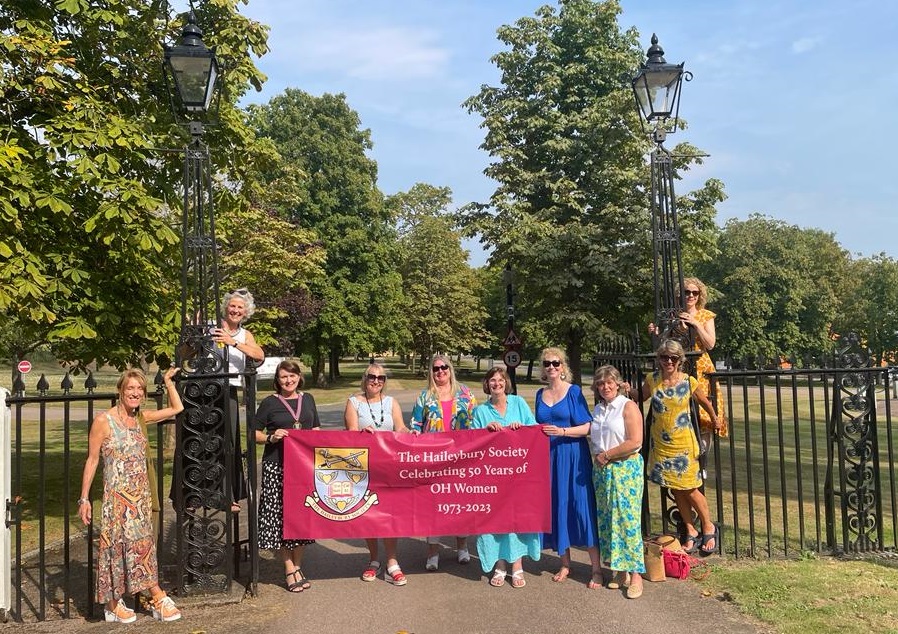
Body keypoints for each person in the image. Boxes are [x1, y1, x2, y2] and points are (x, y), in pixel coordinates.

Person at [78, 367, 184, 623]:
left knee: (142, 546)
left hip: (141, 499)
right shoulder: (104, 421)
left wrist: (168, 382)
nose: (135, 393)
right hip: (116, 499)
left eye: (139, 389)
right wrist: (84, 499)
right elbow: (92, 460)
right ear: (120, 391)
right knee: (115, 549)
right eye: (130, 389)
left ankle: (155, 597)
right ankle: (116, 603)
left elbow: (176, 409)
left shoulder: (140, 420)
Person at [634, 340, 722, 555]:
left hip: (683, 444)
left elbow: (705, 402)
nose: (669, 361)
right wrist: (623, 390)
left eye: (673, 358)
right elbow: (640, 397)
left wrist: (715, 418)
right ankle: (691, 530)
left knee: (690, 487)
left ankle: (708, 525)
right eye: (664, 357)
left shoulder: (688, 381)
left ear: (680, 360)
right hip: (661, 444)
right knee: (675, 487)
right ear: (659, 359)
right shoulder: (652, 380)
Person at [536, 347, 602, 588]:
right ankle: (565, 563)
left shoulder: (573, 392)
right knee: (557, 507)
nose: (551, 367)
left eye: (555, 363)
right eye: (546, 364)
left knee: (581, 507)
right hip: (549, 458)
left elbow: (588, 426)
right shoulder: (539, 393)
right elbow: (535, 427)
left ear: (563, 367)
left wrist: (563, 431)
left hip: (573, 456)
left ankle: (596, 568)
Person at [471, 367, 541, 588]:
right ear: (487, 384)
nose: (497, 384)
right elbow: (472, 443)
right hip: (492, 476)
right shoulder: (480, 411)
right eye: (493, 380)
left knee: (517, 519)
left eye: (501, 380)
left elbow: (535, 430)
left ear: (506, 383)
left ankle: (517, 565)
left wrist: (521, 428)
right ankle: (500, 564)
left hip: (519, 474)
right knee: (497, 520)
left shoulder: (519, 403)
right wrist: (485, 431)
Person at [254, 359, 320, 592]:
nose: (288, 380)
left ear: (299, 377)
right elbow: (254, 433)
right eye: (283, 377)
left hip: (303, 468)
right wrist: (271, 437)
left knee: (301, 518)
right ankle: (289, 567)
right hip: (277, 467)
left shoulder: (308, 399)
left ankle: (299, 565)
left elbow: (316, 430)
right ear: (277, 380)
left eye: (292, 376)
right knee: (280, 517)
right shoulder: (270, 403)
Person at [344, 362, 409, 586]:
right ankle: (374, 560)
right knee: (370, 514)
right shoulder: (353, 402)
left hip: (389, 466)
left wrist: (410, 432)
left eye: (381, 378)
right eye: (372, 376)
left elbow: (400, 428)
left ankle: (392, 562)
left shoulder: (391, 402)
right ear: (365, 378)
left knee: (390, 515)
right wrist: (362, 432)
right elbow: (350, 433)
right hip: (364, 468)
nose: (376, 381)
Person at [410, 353, 477, 571]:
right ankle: (432, 552)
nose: (440, 372)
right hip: (434, 459)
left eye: (444, 367)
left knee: (460, 504)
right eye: (436, 368)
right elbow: (416, 425)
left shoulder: (466, 394)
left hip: (461, 458)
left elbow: (477, 423)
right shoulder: (425, 397)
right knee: (434, 506)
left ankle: (462, 547)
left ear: (450, 369)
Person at [589, 366, 645, 599]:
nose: (605, 387)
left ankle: (636, 575)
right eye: (601, 384)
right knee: (609, 521)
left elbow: (635, 441)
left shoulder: (627, 406)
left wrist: (608, 454)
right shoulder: (599, 409)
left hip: (625, 469)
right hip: (603, 472)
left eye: (609, 382)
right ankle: (619, 570)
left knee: (627, 521)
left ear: (618, 383)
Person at [650, 277, 727, 443]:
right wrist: (655, 334)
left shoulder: (705, 315)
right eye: (687, 292)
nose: (691, 296)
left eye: (695, 293)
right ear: (679, 295)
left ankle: (703, 465)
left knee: (704, 415)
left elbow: (710, 344)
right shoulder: (672, 317)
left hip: (701, 367)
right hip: (678, 367)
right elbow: (663, 345)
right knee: (679, 412)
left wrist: (696, 324)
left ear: (700, 295)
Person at [211, 288, 265, 511]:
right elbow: (187, 353)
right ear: (226, 307)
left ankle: (228, 494)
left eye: (239, 308)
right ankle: (197, 494)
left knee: (229, 442)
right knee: (204, 442)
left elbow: (259, 355)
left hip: (230, 390)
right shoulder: (211, 326)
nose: (235, 310)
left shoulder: (245, 335)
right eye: (232, 306)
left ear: (245, 312)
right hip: (207, 389)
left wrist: (231, 342)